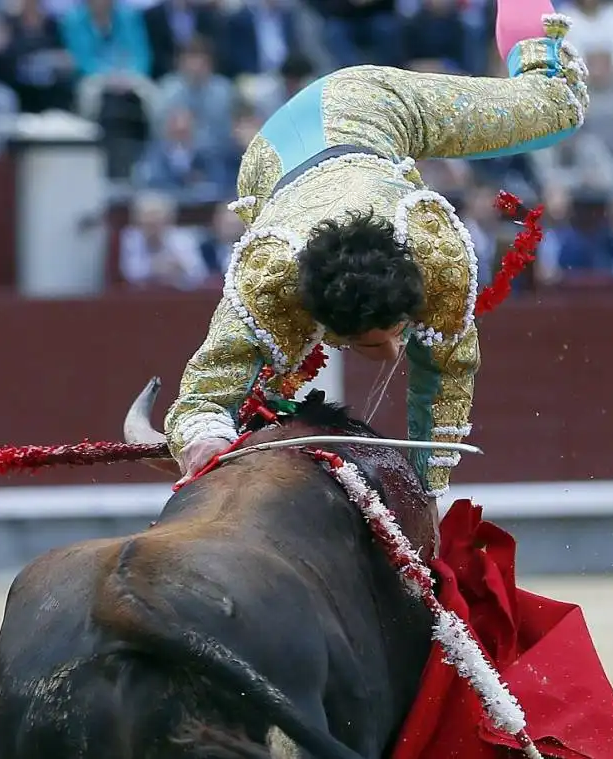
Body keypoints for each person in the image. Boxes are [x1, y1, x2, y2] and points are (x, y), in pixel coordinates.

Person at [162, 1, 590, 535]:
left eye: (392, 334)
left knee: (558, 104)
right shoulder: (270, 275)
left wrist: (427, 493)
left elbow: (445, 371)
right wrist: (206, 436)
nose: (393, 354)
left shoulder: (434, 251)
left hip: (369, 106)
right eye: (370, 343)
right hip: (272, 158)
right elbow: (201, 396)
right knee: (267, 369)